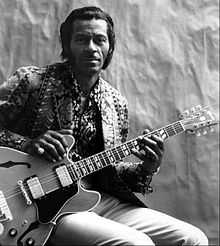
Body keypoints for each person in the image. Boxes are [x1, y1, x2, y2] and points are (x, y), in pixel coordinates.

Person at [0, 6, 208, 246]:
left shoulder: (115, 102)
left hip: (98, 199)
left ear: (110, 47)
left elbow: (110, 171)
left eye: (99, 40)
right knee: (137, 244)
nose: (91, 48)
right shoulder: (31, 82)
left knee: (193, 238)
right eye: (81, 39)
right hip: (44, 208)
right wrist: (27, 143)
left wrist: (147, 167)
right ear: (67, 46)